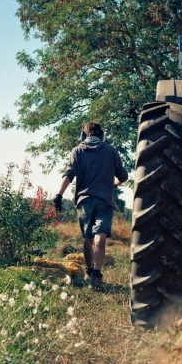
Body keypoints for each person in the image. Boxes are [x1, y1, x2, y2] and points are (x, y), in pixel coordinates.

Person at [53, 122, 128, 291]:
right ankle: (96, 275)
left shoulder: (77, 151)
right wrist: (114, 184)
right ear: (102, 136)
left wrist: (58, 195)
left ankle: (88, 271)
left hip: (85, 201)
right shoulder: (111, 151)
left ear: (83, 135)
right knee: (100, 236)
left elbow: (69, 174)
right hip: (105, 201)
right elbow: (123, 176)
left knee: (87, 237)